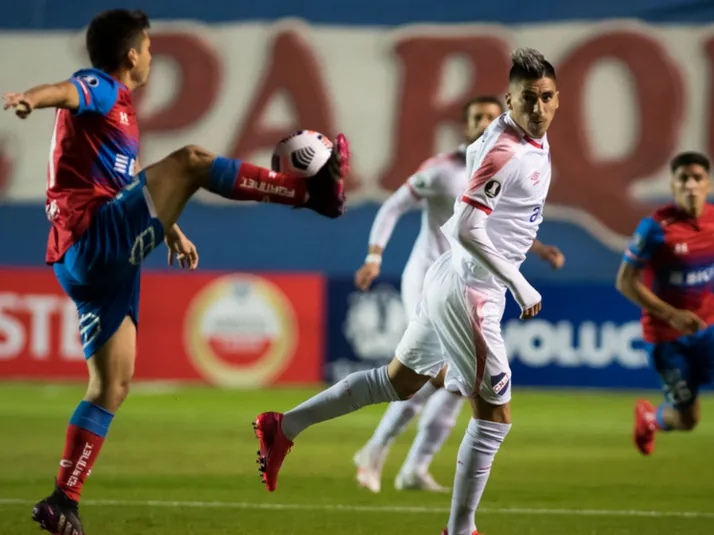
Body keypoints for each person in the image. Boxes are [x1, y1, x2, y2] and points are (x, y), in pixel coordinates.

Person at [3, 9, 348, 535]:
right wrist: (32, 97)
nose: (151, 54)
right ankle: (306, 194)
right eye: (147, 46)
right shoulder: (102, 87)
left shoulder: (118, 116)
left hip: (88, 259)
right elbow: (67, 91)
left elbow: (123, 186)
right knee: (190, 161)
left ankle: (62, 500)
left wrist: (167, 229)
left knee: (111, 386)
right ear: (131, 54)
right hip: (93, 238)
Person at [254, 47, 558, 535]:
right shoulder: (506, 151)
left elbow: (501, 212)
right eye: (528, 98)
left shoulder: (519, 137)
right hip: (470, 291)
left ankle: (283, 426)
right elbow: (464, 227)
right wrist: (519, 283)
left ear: (557, 98)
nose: (538, 108)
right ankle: (460, 529)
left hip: (450, 278)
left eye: (545, 97)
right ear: (511, 100)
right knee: (494, 416)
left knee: (396, 383)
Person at [353, 97, 564, 493]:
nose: (484, 122)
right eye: (476, 117)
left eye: (490, 116)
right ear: (465, 125)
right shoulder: (441, 170)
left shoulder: (505, 160)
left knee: (458, 386)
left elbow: (501, 223)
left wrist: (539, 250)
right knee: (436, 376)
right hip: (431, 279)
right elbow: (393, 207)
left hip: (474, 282)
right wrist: (374, 256)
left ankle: (414, 467)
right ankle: (375, 450)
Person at [617, 151, 714, 456]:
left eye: (697, 178)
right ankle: (650, 418)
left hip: (708, 329)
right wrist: (672, 316)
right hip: (667, 338)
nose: (690, 185)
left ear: (708, 184)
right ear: (673, 185)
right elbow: (625, 282)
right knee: (687, 419)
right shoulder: (655, 228)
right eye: (683, 178)